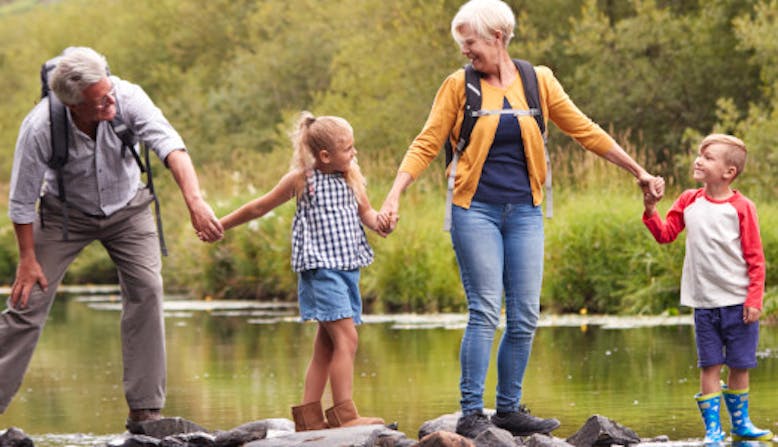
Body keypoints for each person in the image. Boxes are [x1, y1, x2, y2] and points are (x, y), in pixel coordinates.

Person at [379, 0, 663, 439]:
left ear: (497, 36)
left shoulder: (539, 80)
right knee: (485, 309)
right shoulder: (458, 85)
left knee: (526, 313)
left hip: (526, 212)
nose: (464, 52)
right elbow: (427, 143)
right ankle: (472, 411)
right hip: (475, 210)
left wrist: (639, 171)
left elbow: (585, 131)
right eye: (461, 44)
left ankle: (508, 409)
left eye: (469, 42)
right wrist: (396, 193)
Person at [1, 47, 223, 428]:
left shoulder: (127, 96)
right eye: (99, 100)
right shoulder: (40, 127)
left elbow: (171, 146)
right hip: (63, 216)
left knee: (147, 290)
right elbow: (21, 200)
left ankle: (145, 410)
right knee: (26, 303)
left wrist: (195, 201)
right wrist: (27, 259)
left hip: (129, 209)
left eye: (109, 91)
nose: (110, 101)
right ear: (73, 106)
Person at [215, 111, 386, 431]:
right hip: (321, 270)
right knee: (347, 339)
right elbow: (259, 207)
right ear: (325, 155)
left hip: (348, 269)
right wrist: (221, 224)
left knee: (327, 344)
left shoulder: (352, 176)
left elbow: (367, 213)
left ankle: (308, 417)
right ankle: (344, 414)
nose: (354, 153)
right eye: (348, 148)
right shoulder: (302, 179)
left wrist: (382, 223)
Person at [642, 134, 773, 443]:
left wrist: (755, 299)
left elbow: (756, 258)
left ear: (729, 172)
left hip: (739, 302)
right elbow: (665, 234)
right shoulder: (689, 200)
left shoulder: (742, 207)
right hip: (704, 304)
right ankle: (713, 430)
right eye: (699, 154)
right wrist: (650, 210)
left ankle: (741, 425)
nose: (699, 160)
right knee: (709, 364)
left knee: (740, 365)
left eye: (709, 157)